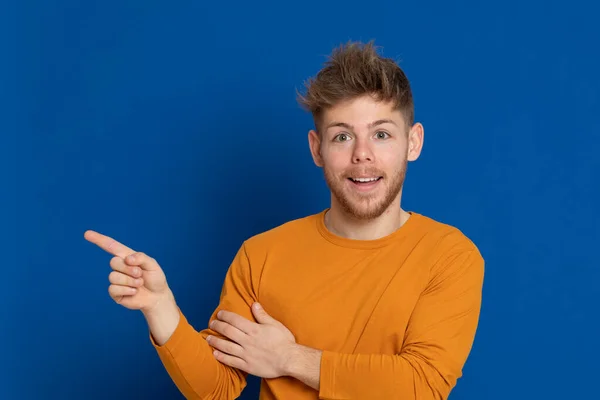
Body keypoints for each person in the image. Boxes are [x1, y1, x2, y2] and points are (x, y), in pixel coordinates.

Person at [85, 41, 484, 400]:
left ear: (412, 143)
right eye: (342, 137)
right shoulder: (261, 254)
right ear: (317, 149)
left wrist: (291, 359)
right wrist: (160, 309)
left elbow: (423, 385)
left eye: (381, 134)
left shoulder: (449, 256)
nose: (362, 155)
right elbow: (216, 388)